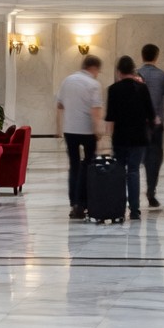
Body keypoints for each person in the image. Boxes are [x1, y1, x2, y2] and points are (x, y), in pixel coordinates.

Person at [103, 54, 156, 221]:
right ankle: (134, 210)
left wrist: (108, 139)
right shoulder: (142, 88)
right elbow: (151, 115)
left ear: (118, 71)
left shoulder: (113, 90)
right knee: (133, 172)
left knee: (119, 172)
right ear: (133, 71)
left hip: (120, 138)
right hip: (139, 138)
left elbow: (110, 118)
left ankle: (118, 207)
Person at [56, 54, 103, 219]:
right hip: (87, 131)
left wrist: (59, 128)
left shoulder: (67, 81)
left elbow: (60, 105)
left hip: (70, 130)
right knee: (89, 167)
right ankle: (84, 202)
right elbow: (95, 111)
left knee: (74, 166)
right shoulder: (93, 84)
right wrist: (98, 131)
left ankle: (74, 203)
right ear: (94, 68)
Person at [134, 44, 164, 209]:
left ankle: (133, 196)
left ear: (142, 55)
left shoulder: (136, 75)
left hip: (138, 126)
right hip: (156, 126)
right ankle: (151, 192)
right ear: (156, 56)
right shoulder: (161, 76)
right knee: (154, 160)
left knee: (136, 160)